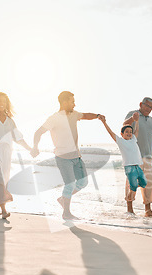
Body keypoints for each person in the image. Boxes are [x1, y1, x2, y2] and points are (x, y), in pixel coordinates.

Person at [31, 91, 103, 220]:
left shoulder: (74, 114)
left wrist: (97, 116)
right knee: (69, 184)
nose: (74, 104)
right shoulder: (54, 118)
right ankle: (66, 213)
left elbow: (86, 115)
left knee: (83, 182)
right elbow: (38, 132)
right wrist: (36, 146)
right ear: (64, 102)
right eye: (72, 101)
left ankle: (63, 199)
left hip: (77, 157)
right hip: (63, 157)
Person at [0, 92, 34, 218]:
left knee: (3, 181)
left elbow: (18, 138)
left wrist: (30, 149)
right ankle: (3, 209)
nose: (1, 103)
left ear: (7, 104)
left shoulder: (10, 121)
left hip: (7, 152)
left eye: (4, 101)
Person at [98, 112, 147, 206]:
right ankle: (128, 197)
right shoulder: (120, 141)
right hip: (129, 167)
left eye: (130, 132)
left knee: (144, 183)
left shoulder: (133, 139)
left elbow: (136, 131)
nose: (129, 133)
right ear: (122, 134)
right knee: (133, 186)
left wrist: (136, 121)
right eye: (127, 132)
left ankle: (131, 189)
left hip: (138, 166)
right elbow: (110, 133)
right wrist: (104, 123)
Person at [123, 97, 152, 218]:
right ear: (141, 104)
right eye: (147, 106)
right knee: (132, 182)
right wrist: (132, 119)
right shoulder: (133, 114)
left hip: (147, 156)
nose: (149, 109)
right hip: (134, 156)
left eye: (151, 107)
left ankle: (148, 210)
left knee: (149, 184)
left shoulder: (151, 120)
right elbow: (124, 126)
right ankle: (130, 209)